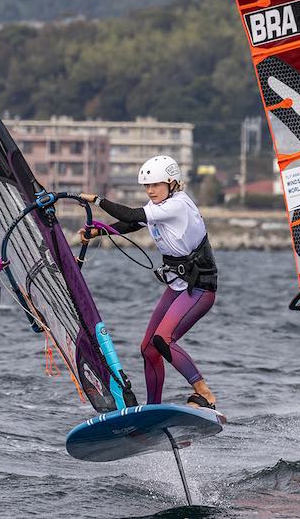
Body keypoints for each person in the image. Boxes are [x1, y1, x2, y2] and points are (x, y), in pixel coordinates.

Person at [76, 155, 220, 410]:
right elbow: (133, 223)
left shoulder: (178, 205)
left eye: (155, 185)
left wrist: (98, 201)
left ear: (172, 183)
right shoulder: (161, 205)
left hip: (198, 289)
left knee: (163, 339)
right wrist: (99, 231)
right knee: (148, 348)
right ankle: (153, 410)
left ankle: (204, 392)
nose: (150, 190)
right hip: (177, 287)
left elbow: (132, 213)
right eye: (147, 186)